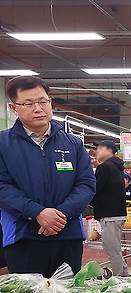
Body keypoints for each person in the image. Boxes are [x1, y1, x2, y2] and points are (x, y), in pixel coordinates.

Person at [0, 76, 95, 276]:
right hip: (23, 236)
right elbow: (2, 187)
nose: (38, 108)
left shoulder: (73, 144)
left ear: (50, 102)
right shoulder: (3, 144)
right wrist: (37, 213)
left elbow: (86, 184)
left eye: (43, 101)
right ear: (13, 108)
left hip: (67, 235)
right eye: (28, 103)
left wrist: (61, 214)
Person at [90, 140, 129, 277]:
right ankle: (124, 275)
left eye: (100, 148)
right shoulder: (117, 167)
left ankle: (119, 280)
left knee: (112, 250)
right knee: (115, 249)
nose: (97, 151)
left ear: (109, 150)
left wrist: (89, 202)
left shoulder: (104, 167)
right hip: (117, 213)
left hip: (109, 215)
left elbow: (94, 190)